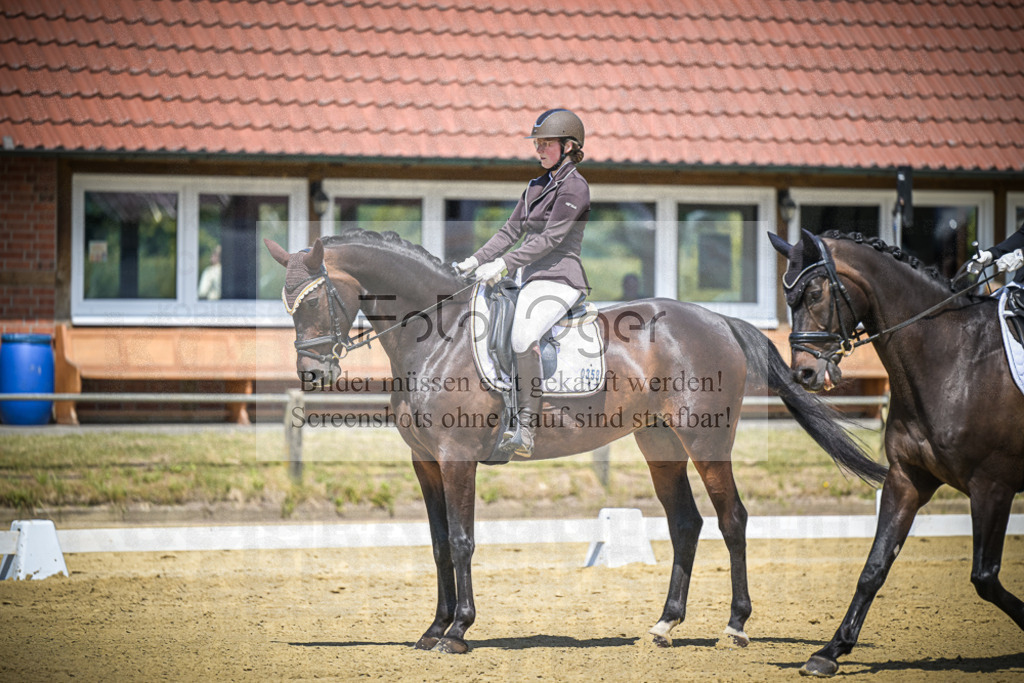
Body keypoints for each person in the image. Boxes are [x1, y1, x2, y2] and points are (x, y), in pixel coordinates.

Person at [455, 109, 591, 459]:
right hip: (527, 278)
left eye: (547, 143)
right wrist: (476, 260)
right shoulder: (535, 186)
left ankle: (526, 427)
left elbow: (551, 239)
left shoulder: (575, 186)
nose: (540, 149)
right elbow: (510, 231)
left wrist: (503, 264)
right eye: (538, 144)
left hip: (560, 277)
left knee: (522, 336)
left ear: (569, 145)